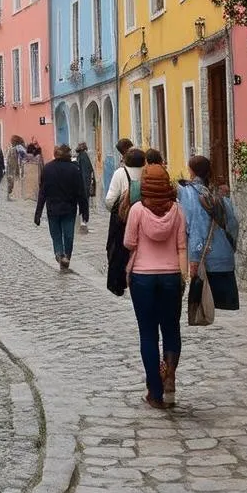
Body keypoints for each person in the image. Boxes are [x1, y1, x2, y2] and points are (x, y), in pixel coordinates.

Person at [123, 163, 188, 410]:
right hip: (171, 276)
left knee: (148, 333)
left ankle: (155, 391)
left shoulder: (137, 210)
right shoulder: (178, 211)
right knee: (171, 329)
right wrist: (183, 277)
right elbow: (182, 246)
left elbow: (129, 242)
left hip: (143, 277)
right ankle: (170, 378)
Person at [179, 155, 240, 312]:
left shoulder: (189, 193)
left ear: (191, 171)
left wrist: (194, 259)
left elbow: (196, 227)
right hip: (225, 259)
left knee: (205, 309)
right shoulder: (218, 193)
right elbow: (233, 224)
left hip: (206, 262)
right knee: (224, 308)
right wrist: (230, 247)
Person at [34, 144, 90, 270]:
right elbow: (81, 192)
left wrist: (38, 213)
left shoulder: (47, 169)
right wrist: (84, 211)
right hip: (69, 209)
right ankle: (66, 256)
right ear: (68, 154)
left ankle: (59, 254)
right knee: (69, 234)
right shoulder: (74, 169)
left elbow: (42, 193)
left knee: (56, 234)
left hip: (52, 208)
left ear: (55, 154)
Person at [106, 145, 146, 297]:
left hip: (123, 218)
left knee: (119, 250)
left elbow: (110, 200)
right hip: (143, 217)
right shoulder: (146, 173)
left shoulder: (120, 173)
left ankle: (119, 282)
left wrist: (117, 211)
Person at [75, 142, 95, 233]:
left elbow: (86, 173)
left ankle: (84, 222)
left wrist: (84, 186)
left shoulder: (83, 157)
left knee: (84, 204)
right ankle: (82, 221)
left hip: (83, 185)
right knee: (83, 203)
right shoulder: (81, 156)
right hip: (82, 185)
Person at [6, 135, 27, 199]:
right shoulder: (14, 147)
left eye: (12, 141)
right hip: (12, 166)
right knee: (11, 180)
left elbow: (23, 156)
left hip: (15, 167)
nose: (11, 142)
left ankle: (12, 194)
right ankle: (11, 193)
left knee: (13, 180)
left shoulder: (16, 147)